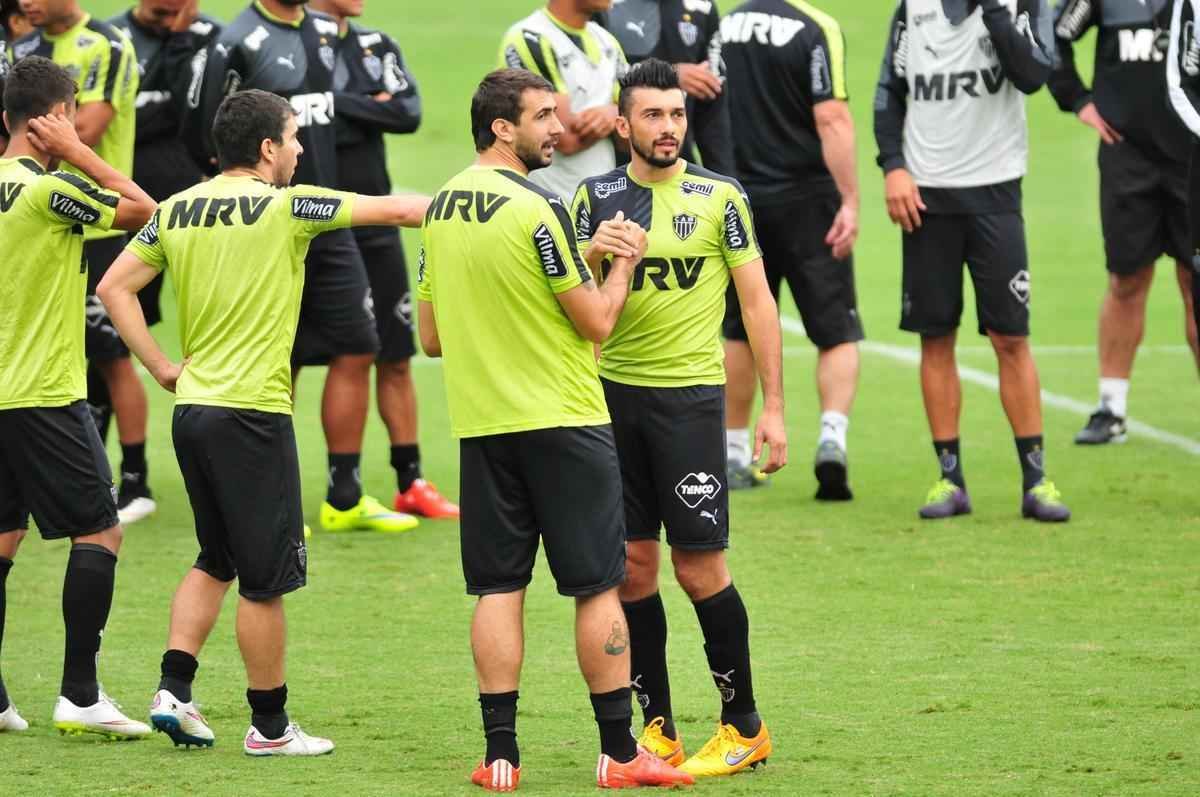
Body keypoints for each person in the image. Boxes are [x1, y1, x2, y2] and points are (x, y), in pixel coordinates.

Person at [97, 89, 432, 755]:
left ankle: (174, 689)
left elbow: (113, 287)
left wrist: (163, 367)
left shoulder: (176, 209)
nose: (302, 150)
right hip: (251, 416)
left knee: (215, 556)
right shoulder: (290, 206)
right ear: (267, 148)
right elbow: (399, 208)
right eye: (294, 138)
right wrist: (493, 208)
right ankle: (271, 726)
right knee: (264, 578)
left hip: (193, 411)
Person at [418, 67, 692, 790]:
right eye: (543, 117)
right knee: (597, 586)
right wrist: (620, 265)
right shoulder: (538, 209)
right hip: (566, 422)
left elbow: (432, 336)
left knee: (498, 587)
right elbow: (596, 319)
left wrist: (583, 257)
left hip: (483, 426)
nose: (557, 131)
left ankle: (500, 755)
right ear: (502, 127)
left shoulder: (441, 206)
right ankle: (618, 751)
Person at [571, 58, 785, 777]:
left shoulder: (719, 196)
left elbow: (756, 304)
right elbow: (568, 302)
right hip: (610, 401)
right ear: (623, 122)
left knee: (699, 567)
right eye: (653, 116)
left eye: (676, 114)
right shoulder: (593, 197)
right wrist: (593, 253)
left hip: (691, 401)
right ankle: (655, 728)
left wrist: (775, 408)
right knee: (633, 568)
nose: (668, 128)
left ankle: (743, 723)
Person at [190, 0, 418, 533]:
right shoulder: (236, 41)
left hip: (323, 214)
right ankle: (263, 494)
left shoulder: (322, 32)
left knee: (361, 343)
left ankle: (344, 496)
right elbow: (204, 132)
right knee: (276, 357)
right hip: (266, 220)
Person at [0, 55, 155, 738]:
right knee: (102, 529)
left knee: (3, 540)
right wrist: (80, 153)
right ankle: (80, 693)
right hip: (41, 391)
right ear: (52, 119)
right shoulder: (47, 191)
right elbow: (145, 212)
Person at [873, 0, 1071, 521]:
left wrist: (996, 14)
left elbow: (1033, 74)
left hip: (996, 195)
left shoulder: (1021, 6)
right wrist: (893, 166)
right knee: (935, 337)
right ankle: (949, 477)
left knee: (1011, 338)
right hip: (927, 199)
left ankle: (1037, 480)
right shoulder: (911, 10)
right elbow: (887, 94)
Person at [307, 0, 458, 518]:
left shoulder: (376, 45)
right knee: (301, 358)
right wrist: (364, 103)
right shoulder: (295, 47)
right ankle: (334, 488)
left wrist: (335, 103)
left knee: (396, 354)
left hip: (378, 223)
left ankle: (411, 483)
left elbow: (407, 112)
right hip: (315, 227)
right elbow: (302, 121)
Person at [10, 0, 156, 526]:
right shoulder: (23, 45)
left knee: (112, 355)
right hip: (44, 208)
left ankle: (136, 477)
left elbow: (85, 130)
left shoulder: (107, 46)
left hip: (96, 224)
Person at [719, 0, 863, 499]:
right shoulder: (815, 26)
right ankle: (831, 439)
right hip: (808, 198)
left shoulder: (725, 25)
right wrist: (849, 199)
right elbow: (832, 118)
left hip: (740, 197)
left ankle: (734, 451)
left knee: (738, 327)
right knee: (836, 329)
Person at [1051, 0, 1199, 445]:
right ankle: (1111, 408)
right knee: (1126, 279)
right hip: (1127, 159)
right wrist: (1077, 99)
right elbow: (1055, 37)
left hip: (1191, 159)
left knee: (1195, 283)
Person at [498, 0, 627, 200]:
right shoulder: (529, 38)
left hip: (602, 205)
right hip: (544, 205)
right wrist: (617, 116)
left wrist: (613, 114)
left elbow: (631, 135)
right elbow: (564, 137)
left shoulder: (608, 41)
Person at [596, 0, 734, 175]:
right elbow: (594, 75)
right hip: (615, 165)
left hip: (676, 164)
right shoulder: (602, 5)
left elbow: (713, 117)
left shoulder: (702, 7)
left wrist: (725, 180)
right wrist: (670, 75)